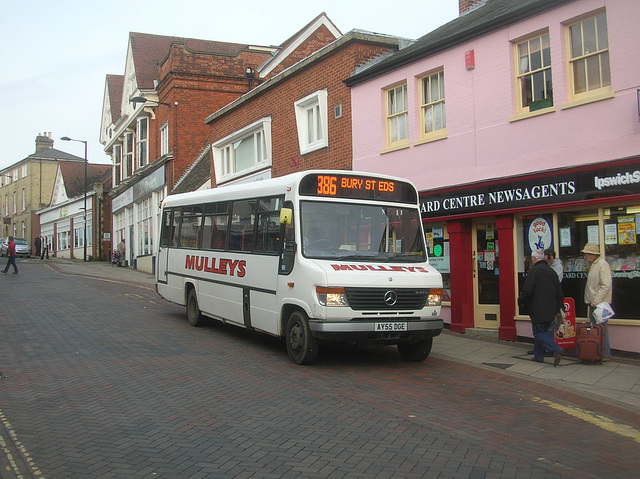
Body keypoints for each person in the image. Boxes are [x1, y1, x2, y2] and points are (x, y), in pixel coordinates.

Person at [519, 249, 565, 366]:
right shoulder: (552, 272)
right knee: (543, 331)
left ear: (534, 259)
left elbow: (527, 290)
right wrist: (559, 307)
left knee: (539, 332)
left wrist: (522, 301)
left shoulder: (534, 271)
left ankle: (555, 349)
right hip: (551, 309)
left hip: (538, 308)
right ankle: (538, 356)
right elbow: (559, 293)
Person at [582, 242, 612, 360]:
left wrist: (596, 300)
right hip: (594, 302)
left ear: (593, 254)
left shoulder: (602, 265)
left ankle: (605, 353)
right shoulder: (594, 265)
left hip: (600, 304)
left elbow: (606, 285)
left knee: (601, 329)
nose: (585, 256)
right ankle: (597, 352)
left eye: (587, 254)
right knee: (596, 328)